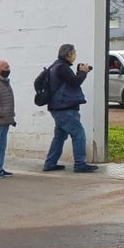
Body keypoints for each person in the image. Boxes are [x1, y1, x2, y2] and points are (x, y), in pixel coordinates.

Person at [43, 44, 99, 173]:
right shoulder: (62, 68)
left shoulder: (55, 66)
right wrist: (83, 72)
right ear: (68, 54)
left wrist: (79, 72)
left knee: (59, 136)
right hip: (65, 107)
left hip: (57, 107)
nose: (75, 55)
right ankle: (80, 164)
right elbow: (75, 82)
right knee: (78, 134)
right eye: (74, 52)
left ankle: (50, 163)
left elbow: (70, 80)